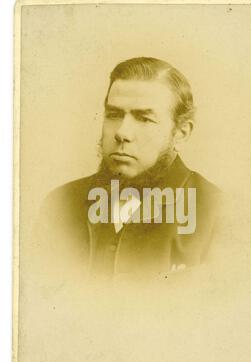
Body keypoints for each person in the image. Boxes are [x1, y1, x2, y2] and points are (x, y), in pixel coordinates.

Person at [36, 57, 221, 284]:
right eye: (114, 115)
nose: (122, 132)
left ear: (181, 133)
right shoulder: (60, 205)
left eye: (144, 118)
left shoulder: (217, 213)